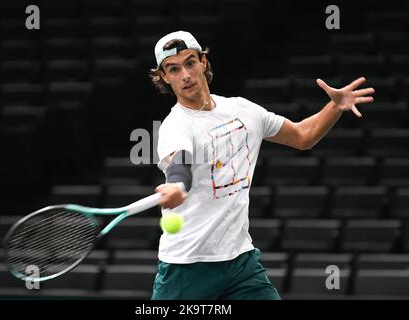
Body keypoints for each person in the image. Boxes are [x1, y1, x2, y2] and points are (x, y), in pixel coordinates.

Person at [149, 31, 375, 300]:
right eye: (173, 69)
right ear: (164, 77)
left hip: (241, 263)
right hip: (186, 268)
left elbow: (303, 136)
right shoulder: (176, 126)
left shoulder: (243, 110)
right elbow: (180, 165)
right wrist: (176, 186)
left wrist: (335, 107)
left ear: (203, 62)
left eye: (190, 63)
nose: (185, 75)